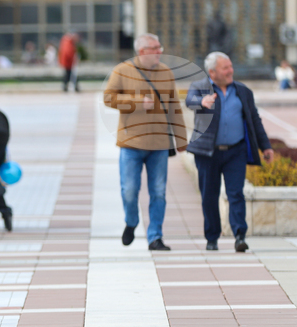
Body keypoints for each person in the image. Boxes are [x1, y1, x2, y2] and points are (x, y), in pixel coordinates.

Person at [102, 34, 188, 251]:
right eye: (155, 48)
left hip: (158, 144)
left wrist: (181, 140)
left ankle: (155, 236)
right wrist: (137, 102)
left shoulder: (166, 73)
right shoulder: (122, 70)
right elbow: (108, 98)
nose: (160, 51)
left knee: (158, 192)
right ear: (142, 52)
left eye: (160, 47)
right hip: (131, 143)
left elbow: (174, 108)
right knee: (129, 190)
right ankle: (131, 222)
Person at [186, 52, 275, 252]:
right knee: (209, 195)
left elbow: (255, 120)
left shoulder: (242, 91)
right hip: (207, 153)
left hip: (236, 151)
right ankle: (212, 237)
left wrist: (265, 146)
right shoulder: (200, 87)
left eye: (230, 66)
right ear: (212, 72)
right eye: (225, 68)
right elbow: (189, 100)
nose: (230, 71)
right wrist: (203, 102)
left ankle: (239, 235)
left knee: (236, 193)